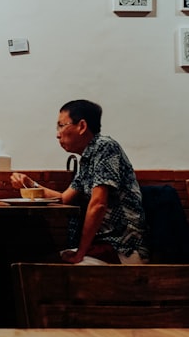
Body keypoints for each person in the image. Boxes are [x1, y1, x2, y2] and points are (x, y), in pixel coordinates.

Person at [10, 99, 148, 264]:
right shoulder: (87, 159)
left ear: (82, 126)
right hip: (102, 245)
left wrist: (80, 254)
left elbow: (98, 204)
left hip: (122, 247)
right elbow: (64, 199)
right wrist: (30, 183)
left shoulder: (104, 147)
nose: (57, 134)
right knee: (34, 261)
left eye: (61, 125)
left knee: (41, 268)